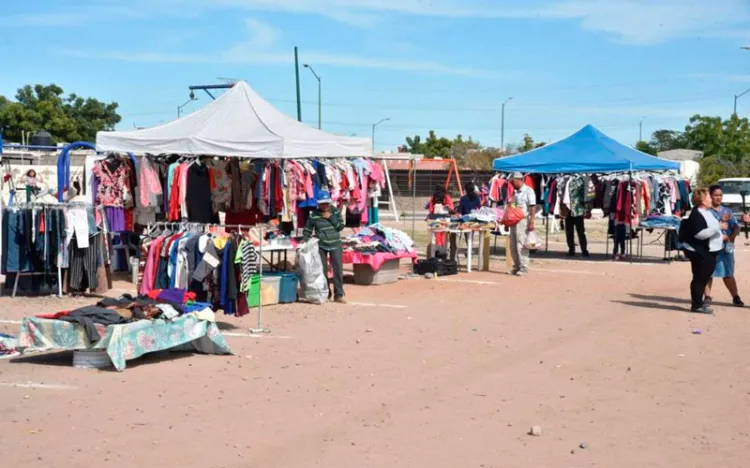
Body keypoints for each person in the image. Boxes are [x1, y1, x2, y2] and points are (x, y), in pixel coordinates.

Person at [679, 188, 727, 314]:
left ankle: (698, 303)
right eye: (709, 197)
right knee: (700, 276)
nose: (711, 199)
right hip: (697, 249)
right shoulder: (697, 214)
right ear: (703, 200)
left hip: (704, 249)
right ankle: (696, 305)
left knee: (701, 276)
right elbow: (700, 234)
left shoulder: (706, 212)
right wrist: (719, 227)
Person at [303, 191, 346, 303]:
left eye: (326, 203)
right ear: (318, 204)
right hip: (321, 245)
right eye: (322, 204)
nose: (325, 206)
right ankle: (326, 293)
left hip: (335, 245)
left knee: (337, 270)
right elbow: (307, 230)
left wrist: (331, 217)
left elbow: (340, 227)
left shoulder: (335, 211)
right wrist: (304, 242)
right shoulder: (314, 215)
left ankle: (339, 294)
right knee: (322, 271)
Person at [705, 185, 744, 306]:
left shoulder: (727, 211)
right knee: (708, 272)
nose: (718, 197)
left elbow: (736, 226)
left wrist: (732, 237)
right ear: (710, 196)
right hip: (710, 246)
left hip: (726, 247)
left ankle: (735, 296)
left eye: (720, 195)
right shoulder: (706, 211)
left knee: (728, 272)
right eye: (716, 195)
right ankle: (707, 297)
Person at [508, 172, 536, 276]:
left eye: (513, 181)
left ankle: (524, 267)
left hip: (523, 221)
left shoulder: (529, 191)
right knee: (513, 246)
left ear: (519, 179)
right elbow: (514, 206)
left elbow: (532, 206)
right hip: (514, 220)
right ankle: (516, 267)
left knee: (521, 244)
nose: (511, 183)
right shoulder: (515, 192)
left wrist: (532, 221)